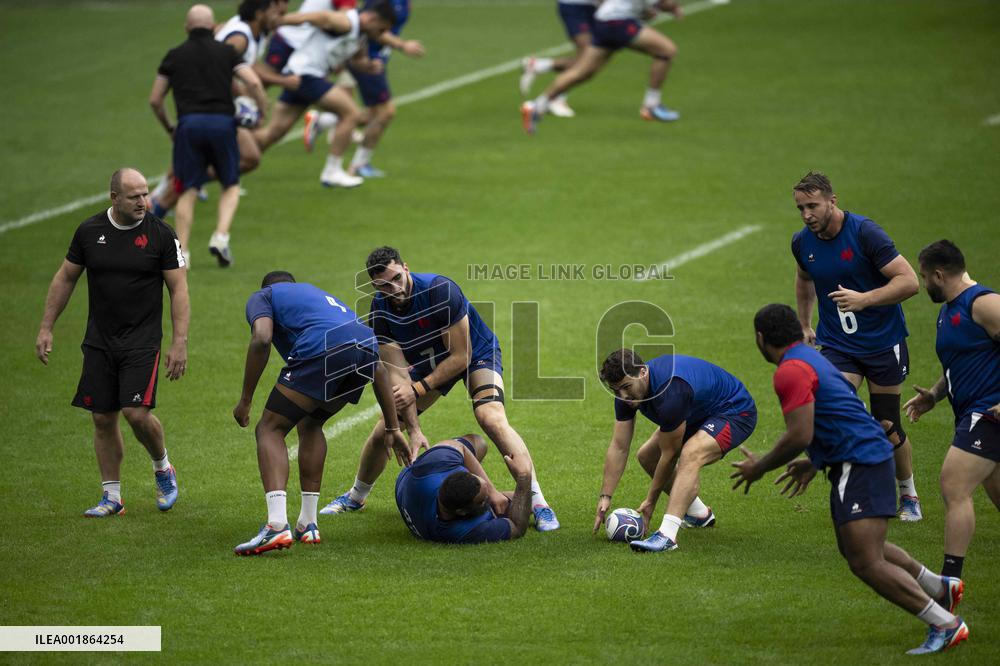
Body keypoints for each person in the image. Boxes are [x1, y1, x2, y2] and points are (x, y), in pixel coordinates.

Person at [732, 304, 968, 655]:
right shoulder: (812, 358)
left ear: (760, 338)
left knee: (866, 561)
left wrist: (760, 467)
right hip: (863, 456)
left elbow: (799, 433)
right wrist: (815, 461)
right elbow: (839, 412)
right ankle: (939, 587)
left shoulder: (790, 371)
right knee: (856, 547)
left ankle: (945, 624)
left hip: (859, 461)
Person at [320, 246, 560, 531]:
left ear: (406, 268)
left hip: (475, 354)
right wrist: (413, 429)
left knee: (491, 417)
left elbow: (461, 357)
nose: (394, 289)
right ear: (374, 286)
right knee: (385, 428)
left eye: (397, 278)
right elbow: (398, 377)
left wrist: (418, 389)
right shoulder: (380, 311)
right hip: (430, 364)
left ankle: (539, 503)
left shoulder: (440, 291)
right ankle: (356, 497)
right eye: (384, 285)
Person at [35, 168, 189, 517]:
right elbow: (66, 277)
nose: (143, 201)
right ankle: (112, 497)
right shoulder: (90, 232)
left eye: (145, 194)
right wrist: (46, 327)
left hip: (142, 340)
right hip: (99, 340)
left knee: (136, 413)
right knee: (103, 418)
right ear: (114, 198)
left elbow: (179, 288)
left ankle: (162, 467)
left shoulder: (161, 234)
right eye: (134, 196)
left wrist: (179, 341)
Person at [232, 271, 412, 555]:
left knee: (270, 428)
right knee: (311, 423)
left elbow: (262, 338)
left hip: (325, 346)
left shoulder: (264, 296)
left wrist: (245, 400)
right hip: (365, 351)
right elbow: (378, 368)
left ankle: (276, 525)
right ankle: (308, 523)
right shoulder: (319, 297)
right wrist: (392, 427)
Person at [790, 171, 924, 521]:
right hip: (838, 344)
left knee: (887, 425)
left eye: (813, 206)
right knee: (832, 406)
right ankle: (857, 486)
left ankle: (908, 493)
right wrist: (804, 323)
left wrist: (865, 299)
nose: (807, 215)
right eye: (801, 208)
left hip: (882, 343)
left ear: (832, 201)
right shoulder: (802, 243)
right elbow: (804, 278)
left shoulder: (865, 233)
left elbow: (909, 281)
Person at [595, 349, 757, 553]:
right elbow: (619, 446)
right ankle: (698, 514)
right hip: (697, 411)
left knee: (691, 454)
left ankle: (667, 536)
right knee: (647, 456)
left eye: (626, 387)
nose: (623, 396)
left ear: (643, 372)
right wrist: (606, 496)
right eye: (616, 390)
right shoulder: (626, 393)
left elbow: (670, 454)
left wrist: (651, 501)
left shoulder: (671, 391)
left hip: (734, 411)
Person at [904, 240, 1000, 582]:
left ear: (939, 275)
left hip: (988, 413)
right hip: (972, 412)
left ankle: (949, 582)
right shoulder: (948, 311)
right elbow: (961, 364)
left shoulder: (983, 303)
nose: (923, 283)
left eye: (924, 276)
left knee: (954, 483)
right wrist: (934, 395)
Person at [149, 4, 268, 268]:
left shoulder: (174, 56)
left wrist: (170, 127)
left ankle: (183, 253)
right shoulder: (227, 52)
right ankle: (221, 236)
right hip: (223, 124)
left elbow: (155, 99)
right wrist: (261, 109)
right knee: (231, 184)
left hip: (189, 126)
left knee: (187, 189)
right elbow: (253, 82)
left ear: (186, 27)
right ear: (214, 27)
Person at [251, 1, 396, 189]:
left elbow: (357, 60)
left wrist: (369, 66)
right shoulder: (347, 22)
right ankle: (332, 171)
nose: (381, 35)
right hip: (306, 74)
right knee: (351, 113)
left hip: (300, 75)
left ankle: (232, 160)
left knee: (273, 133)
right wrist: (281, 20)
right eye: (381, 29)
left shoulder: (361, 35)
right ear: (372, 18)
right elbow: (319, 17)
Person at [521, 0, 682, 135]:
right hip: (618, 21)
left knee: (583, 71)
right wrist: (671, 7)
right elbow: (661, 3)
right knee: (666, 50)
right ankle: (651, 105)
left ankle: (536, 106)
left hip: (604, 20)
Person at [303, 0, 425, 178]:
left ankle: (323, 122)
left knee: (374, 113)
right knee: (385, 112)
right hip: (367, 58)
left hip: (378, 58)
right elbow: (369, 27)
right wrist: (402, 45)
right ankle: (358, 164)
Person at [395, 435, 533, 544]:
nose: (488, 498)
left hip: (407, 480)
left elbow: (460, 446)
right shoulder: (464, 531)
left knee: (479, 442)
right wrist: (524, 477)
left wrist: (492, 492)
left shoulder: (436, 465)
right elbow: (517, 527)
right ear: (462, 512)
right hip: (415, 493)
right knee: (525, 505)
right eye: (484, 499)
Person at [519, 1, 599, 118]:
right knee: (587, 58)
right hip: (575, 5)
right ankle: (554, 99)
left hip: (593, 7)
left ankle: (538, 66)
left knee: (589, 61)